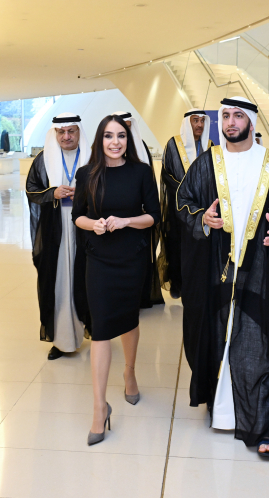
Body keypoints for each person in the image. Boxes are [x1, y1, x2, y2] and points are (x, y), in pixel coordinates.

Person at [176, 96, 269, 459]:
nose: (231, 122)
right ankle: (223, 413)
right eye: (226, 116)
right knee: (217, 336)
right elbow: (183, 200)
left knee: (258, 341)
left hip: (261, 268)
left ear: (251, 121)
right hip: (217, 267)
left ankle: (263, 424)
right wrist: (202, 218)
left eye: (238, 116)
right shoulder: (209, 161)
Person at [72, 115, 161, 446]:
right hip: (98, 259)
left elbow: (154, 215)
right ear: (100, 140)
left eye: (120, 136)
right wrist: (92, 224)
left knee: (128, 319)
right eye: (108, 136)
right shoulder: (87, 174)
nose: (115, 142)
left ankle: (130, 372)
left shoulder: (141, 172)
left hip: (131, 258)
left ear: (128, 140)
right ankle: (99, 408)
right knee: (101, 328)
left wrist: (125, 221)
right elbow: (77, 216)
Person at [26, 113, 91, 360]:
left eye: (71, 131)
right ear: (54, 133)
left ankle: (89, 328)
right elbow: (32, 190)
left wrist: (84, 195)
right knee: (59, 282)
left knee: (85, 279)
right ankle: (62, 340)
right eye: (61, 132)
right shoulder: (43, 159)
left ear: (79, 132)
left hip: (85, 228)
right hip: (55, 228)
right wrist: (52, 193)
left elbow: (107, 189)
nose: (66, 136)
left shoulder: (92, 157)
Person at [158, 109, 212, 300]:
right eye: (195, 120)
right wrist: (185, 191)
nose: (199, 125)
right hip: (178, 208)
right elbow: (166, 174)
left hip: (203, 208)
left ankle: (197, 283)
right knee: (177, 245)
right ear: (187, 123)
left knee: (200, 245)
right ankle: (177, 283)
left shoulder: (210, 146)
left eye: (202, 121)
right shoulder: (173, 144)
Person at [114, 111, 164, 307]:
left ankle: (140, 298)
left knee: (139, 259)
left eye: (127, 127)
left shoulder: (140, 146)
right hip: (112, 216)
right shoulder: (104, 147)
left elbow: (148, 180)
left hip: (139, 217)